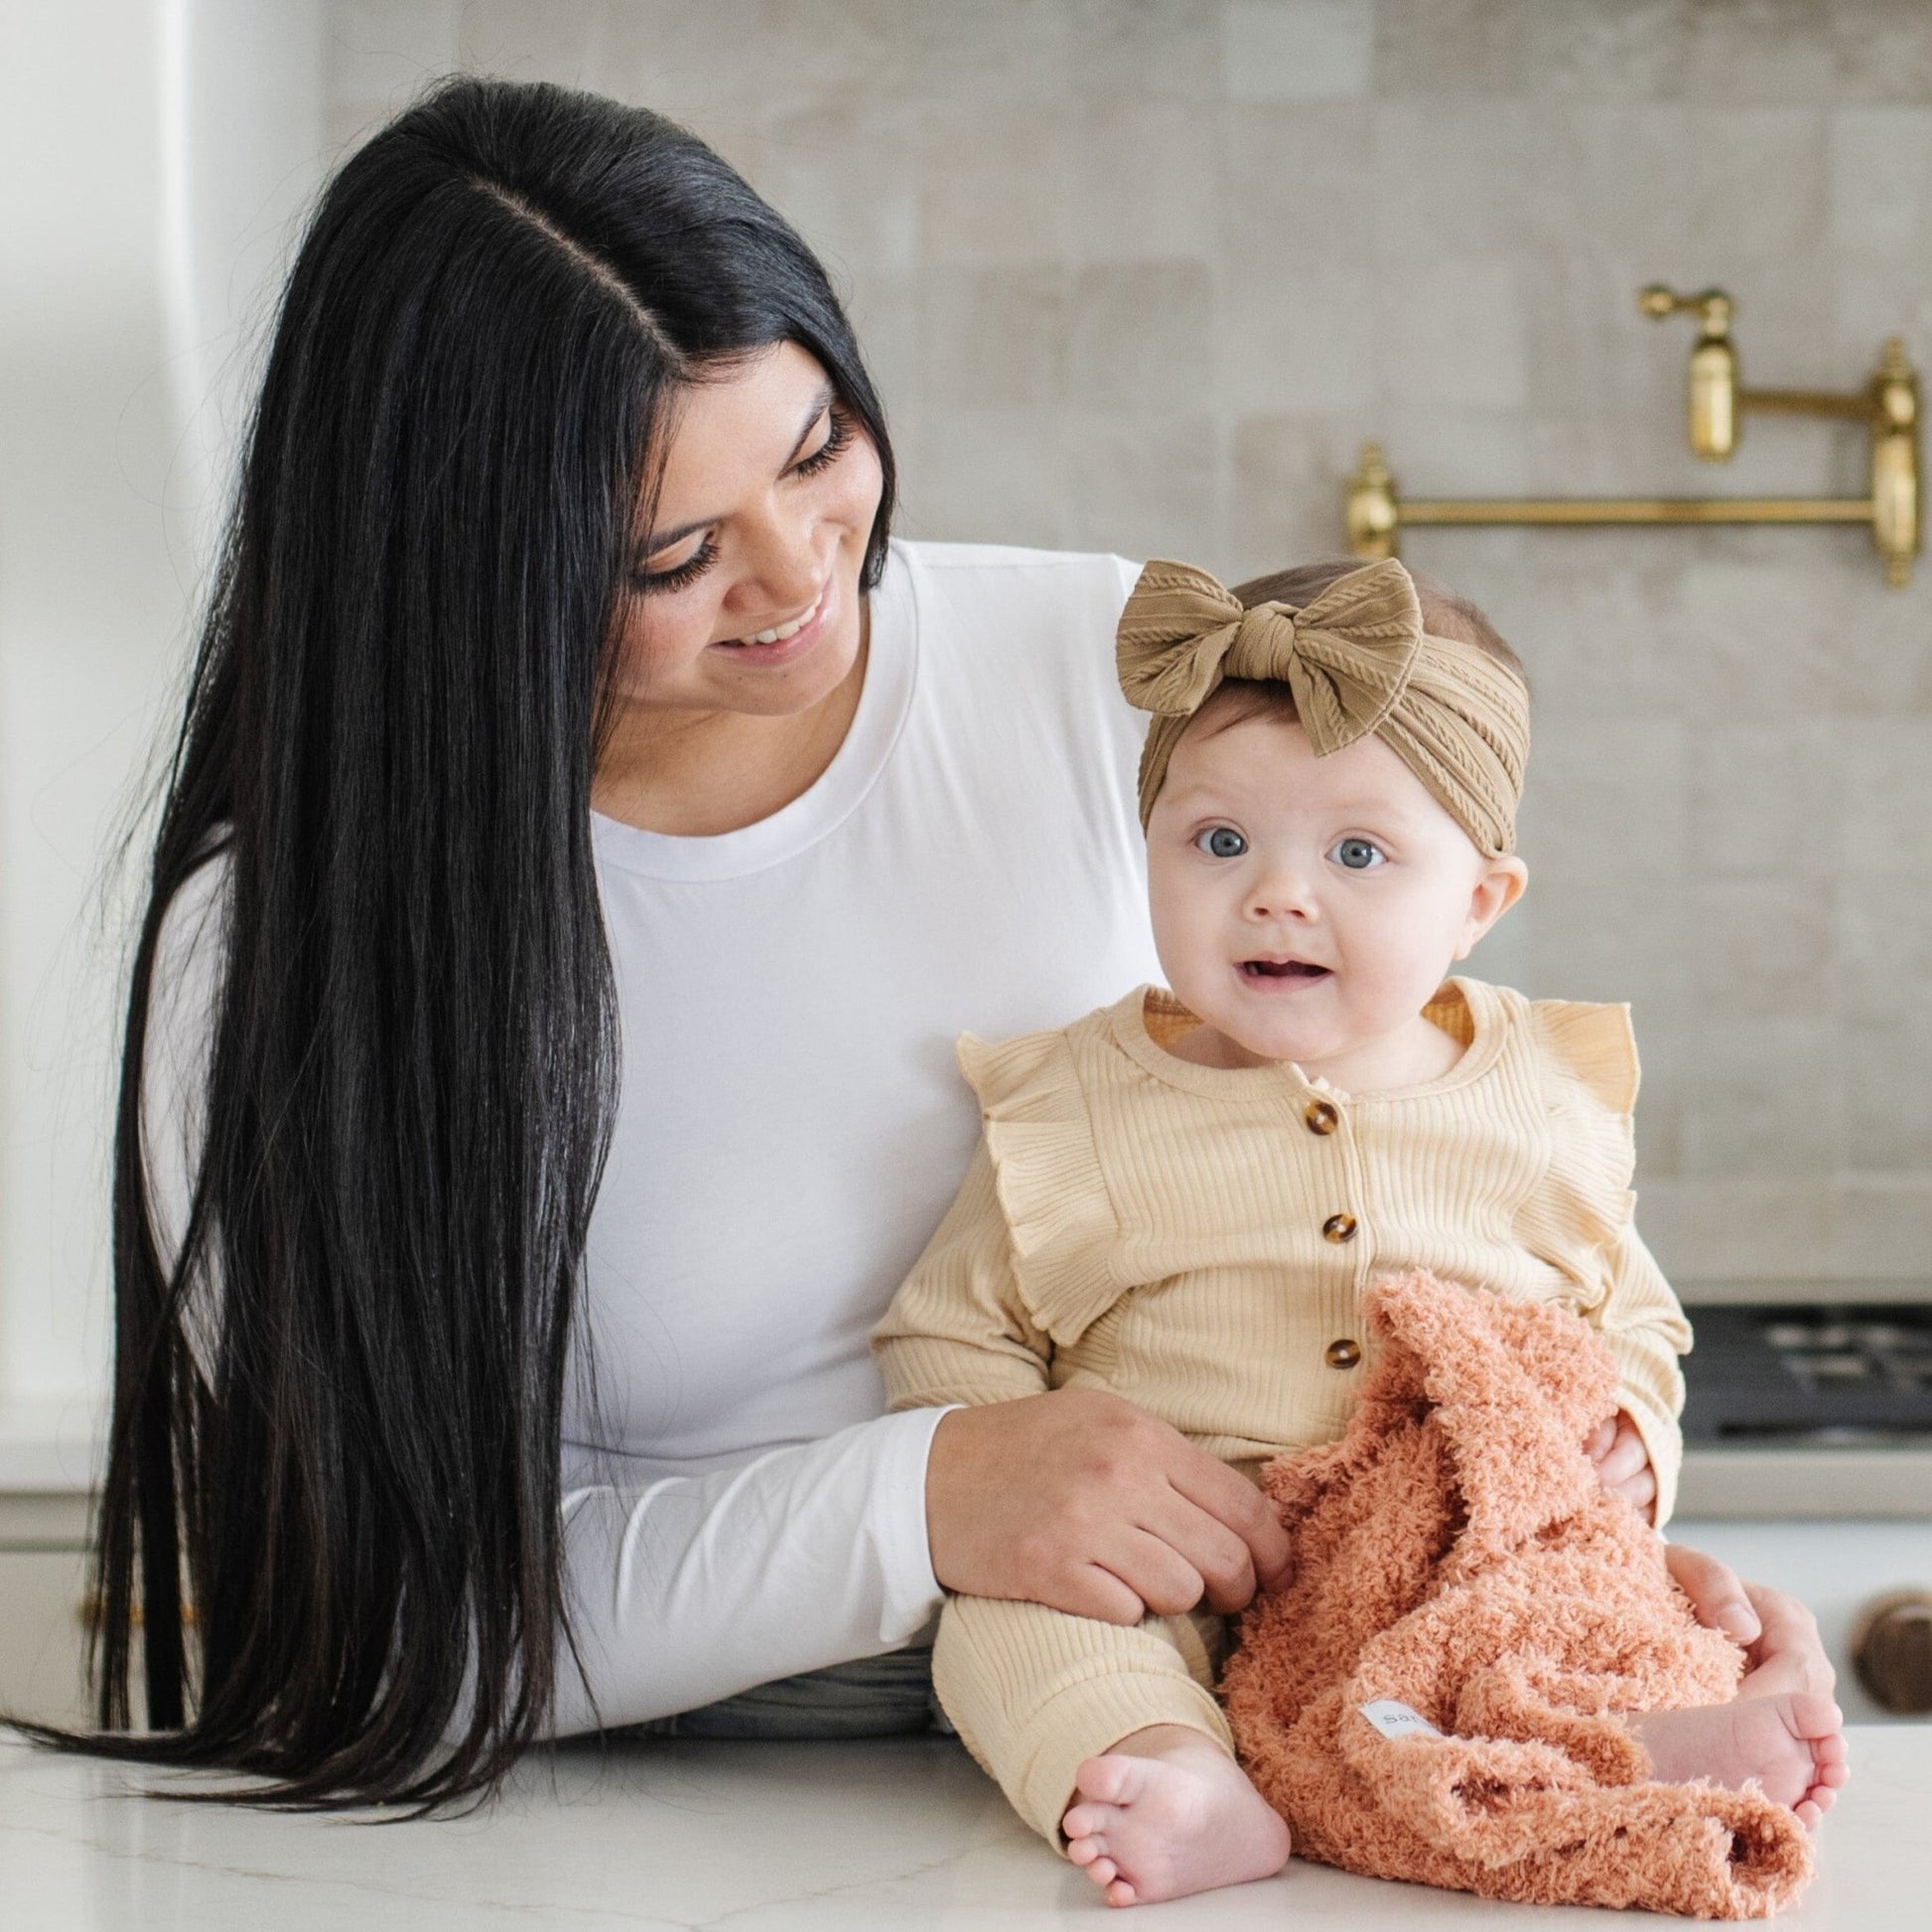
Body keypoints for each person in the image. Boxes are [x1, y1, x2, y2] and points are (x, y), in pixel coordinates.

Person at [52, 75, 1830, 1810]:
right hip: (685, 1821)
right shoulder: (296, 949)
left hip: (1292, 1753)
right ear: (464, 566)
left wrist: (1585, 1546)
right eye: (677, 551)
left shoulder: (1108, 669)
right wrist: (920, 1499)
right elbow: (392, 1637)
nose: (801, 573)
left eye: (817, 446)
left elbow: (1433, 1170)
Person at [875, 555, 1850, 1906]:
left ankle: (1642, 1741)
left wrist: (1633, 1425)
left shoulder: (1536, 1094)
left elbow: (1628, 1310)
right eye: (1217, 841)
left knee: (1594, 1614)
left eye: (1356, 853)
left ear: (1477, 901)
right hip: (1189, 1571)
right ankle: (1168, 1758)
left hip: (1458, 1550)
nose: (1277, 892)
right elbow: (945, 1330)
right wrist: (1013, 1469)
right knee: (1015, 1621)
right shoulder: (1075, 1106)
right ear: (1144, 847)